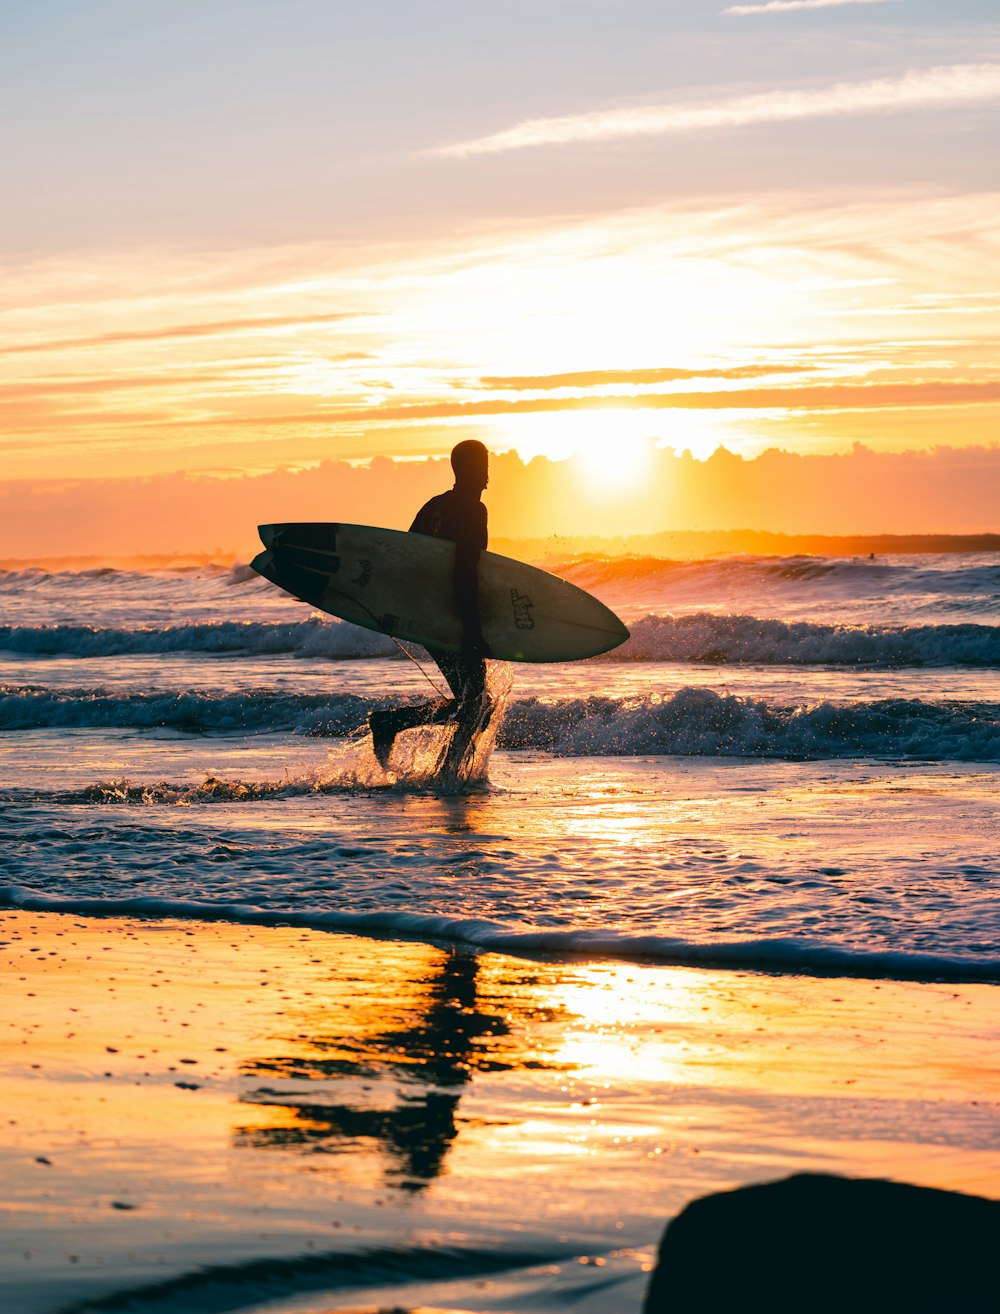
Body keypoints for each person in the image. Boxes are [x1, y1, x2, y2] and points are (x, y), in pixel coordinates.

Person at [368, 439, 493, 772]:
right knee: (478, 705)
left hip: (424, 615)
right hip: (450, 618)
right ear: (467, 469)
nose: (487, 474)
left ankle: (435, 761)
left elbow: (405, 556)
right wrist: (472, 629)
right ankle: (442, 770)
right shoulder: (472, 509)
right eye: (482, 465)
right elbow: (465, 572)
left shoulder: (435, 505)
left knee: (475, 704)